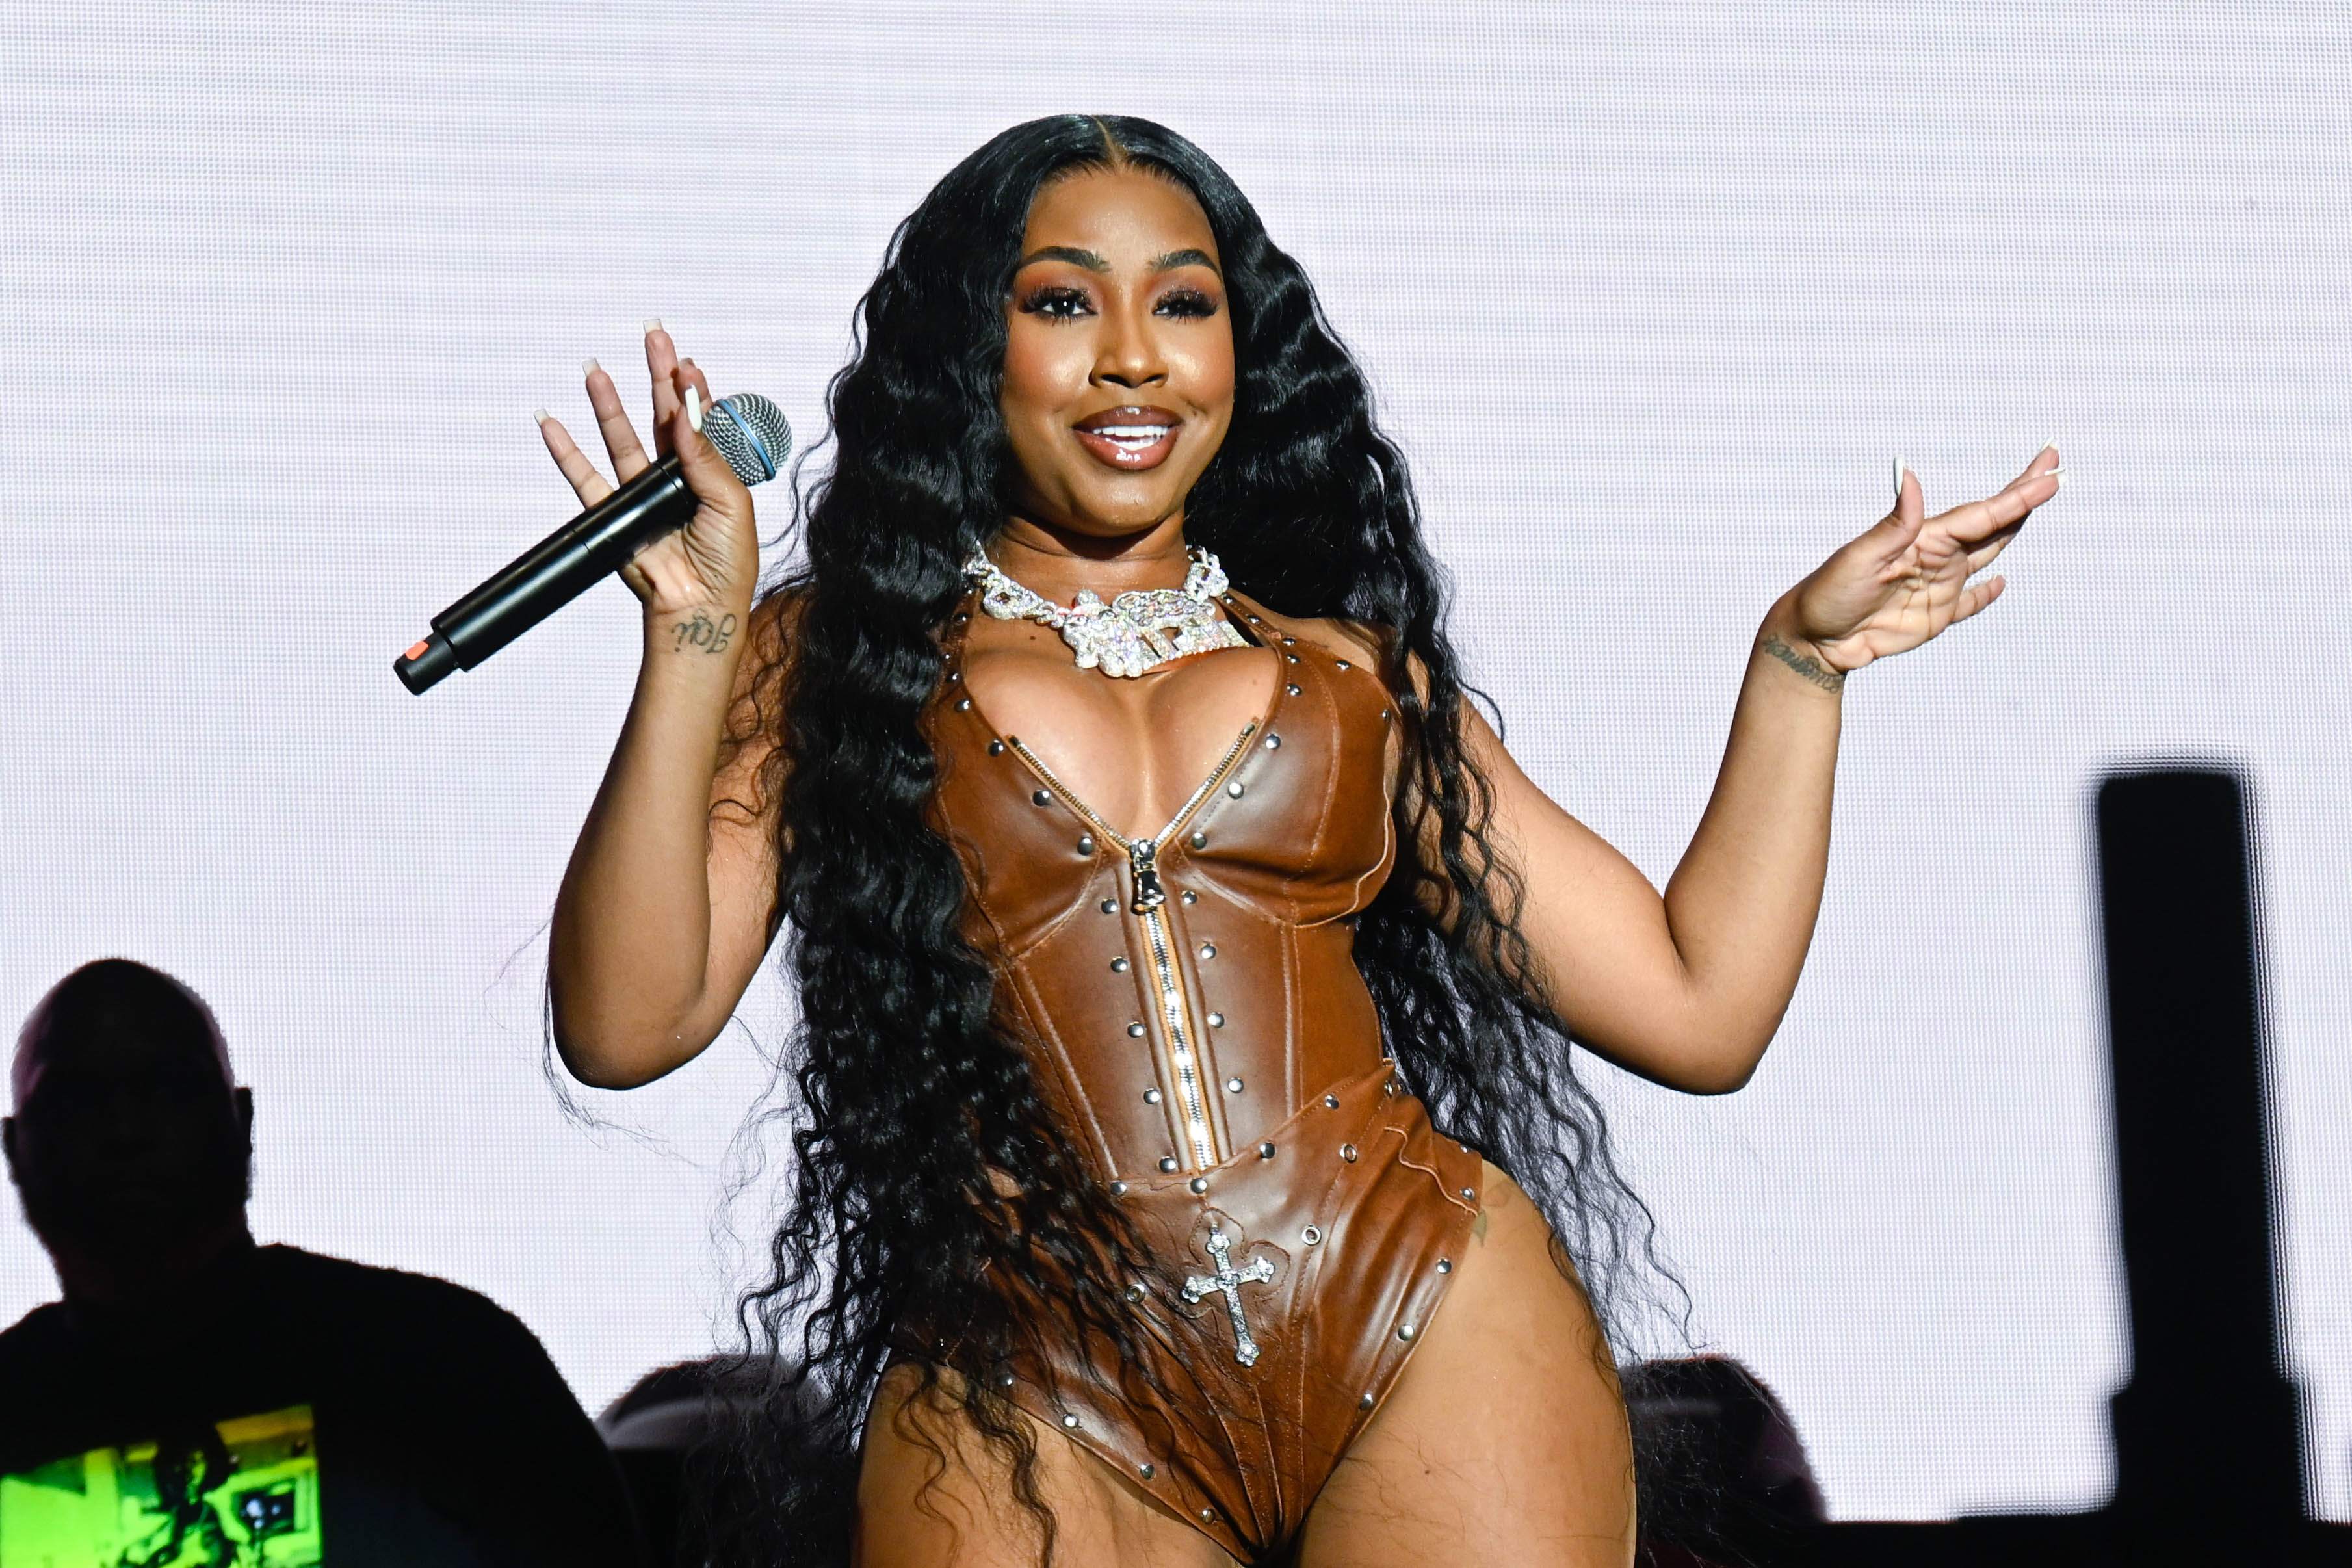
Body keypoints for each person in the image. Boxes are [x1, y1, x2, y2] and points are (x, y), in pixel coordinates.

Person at [537, 115, 2058, 1567]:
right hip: (1032, 1378)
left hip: (1418, 1316)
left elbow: (1697, 1002)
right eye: (1061, 301)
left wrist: (1797, 667)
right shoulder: (826, 662)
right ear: (964, 350)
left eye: (1181, 305)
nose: (1131, 355)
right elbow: (625, 1022)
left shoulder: (1350, 681)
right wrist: (691, 633)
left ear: (1236, 354)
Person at [0, 958, 646, 1567]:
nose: (125, 1127)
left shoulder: (449, 1368)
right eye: (77, 1097)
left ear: (241, 1119)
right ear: (15, 1148)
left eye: (166, 1086)